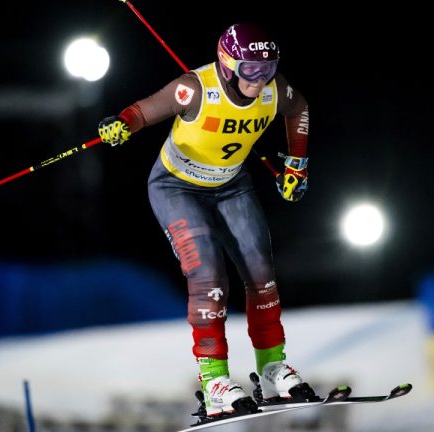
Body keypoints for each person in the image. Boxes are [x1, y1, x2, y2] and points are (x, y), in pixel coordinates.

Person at [98, 22, 313, 417]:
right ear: (229, 64)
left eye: (267, 68)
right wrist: (122, 124)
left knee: (261, 272)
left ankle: (271, 370)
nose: (260, 79)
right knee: (209, 273)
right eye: (250, 69)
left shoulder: (274, 89)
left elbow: (298, 108)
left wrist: (296, 165)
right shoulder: (196, 88)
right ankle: (214, 381)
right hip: (176, 187)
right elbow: (144, 110)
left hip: (231, 185)